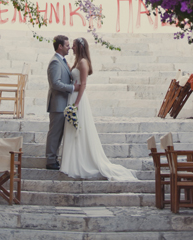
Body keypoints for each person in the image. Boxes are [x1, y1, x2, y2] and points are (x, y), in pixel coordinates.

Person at [61, 36, 137, 181]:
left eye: (74, 45)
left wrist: (76, 103)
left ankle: (81, 162)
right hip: (72, 97)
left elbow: (83, 84)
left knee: (79, 130)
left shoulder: (83, 62)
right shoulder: (77, 61)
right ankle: (72, 161)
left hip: (79, 99)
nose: (72, 47)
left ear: (80, 47)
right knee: (72, 130)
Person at [45, 34, 80, 170]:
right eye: (66, 45)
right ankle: (50, 160)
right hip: (57, 104)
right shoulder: (55, 62)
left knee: (58, 133)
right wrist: (72, 88)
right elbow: (55, 84)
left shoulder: (63, 61)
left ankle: (54, 158)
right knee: (54, 133)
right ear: (60, 46)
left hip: (63, 103)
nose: (69, 47)